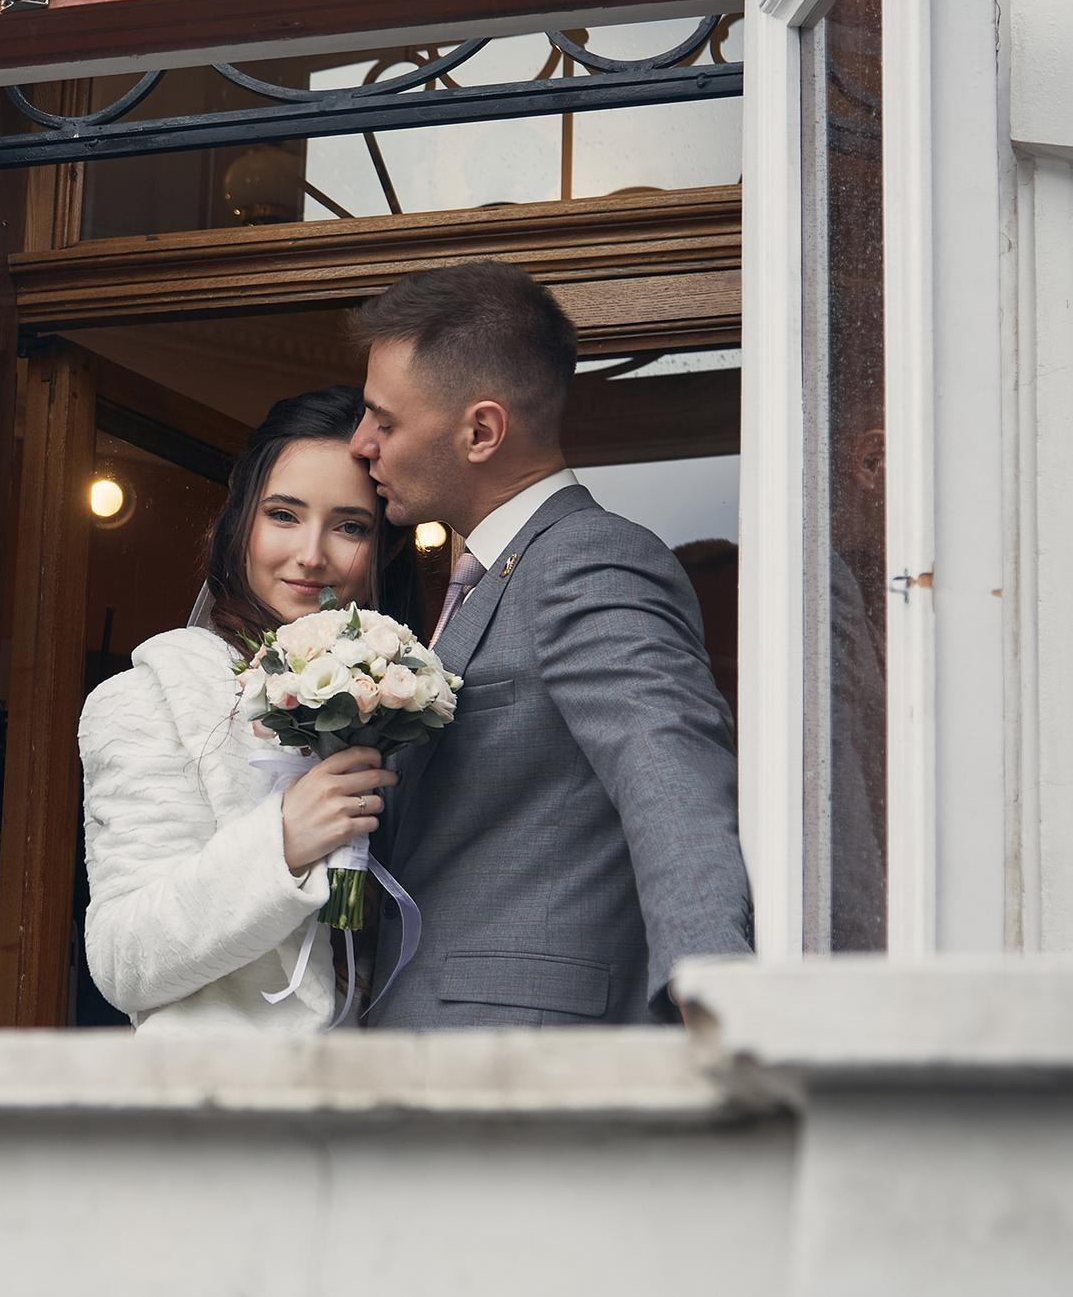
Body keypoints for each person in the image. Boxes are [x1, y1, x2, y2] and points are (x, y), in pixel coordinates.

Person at [351, 261, 753, 1028]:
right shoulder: (480, 574)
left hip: (527, 1057)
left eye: (385, 421)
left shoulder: (589, 560)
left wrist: (715, 999)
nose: (360, 442)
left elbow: (667, 775)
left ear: (481, 431)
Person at [78, 387, 405, 1032]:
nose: (312, 554)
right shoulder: (158, 692)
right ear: (240, 523)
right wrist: (280, 842)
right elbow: (122, 959)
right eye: (283, 514)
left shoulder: (398, 695)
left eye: (349, 526)